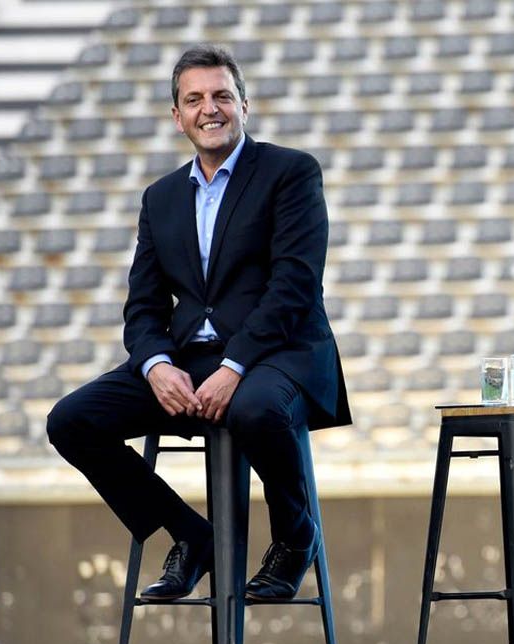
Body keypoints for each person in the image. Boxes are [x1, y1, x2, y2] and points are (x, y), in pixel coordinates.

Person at [47, 45, 350, 602]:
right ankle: (191, 536)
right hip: (190, 358)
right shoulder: (160, 197)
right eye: (195, 100)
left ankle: (294, 538)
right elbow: (142, 308)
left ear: (244, 105)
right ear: (177, 115)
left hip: (277, 354)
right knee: (71, 421)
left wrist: (235, 366)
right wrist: (157, 365)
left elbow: (295, 287)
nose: (210, 109)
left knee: (255, 407)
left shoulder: (291, 171)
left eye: (221, 96)